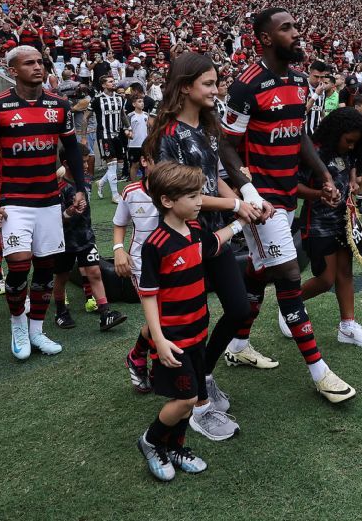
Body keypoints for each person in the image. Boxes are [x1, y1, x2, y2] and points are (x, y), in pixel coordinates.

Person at [217, 7, 356, 403]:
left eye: (296, 26)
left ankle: (238, 345)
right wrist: (247, 192)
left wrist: (324, 176)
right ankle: (320, 372)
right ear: (264, 37)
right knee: (289, 277)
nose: (297, 33)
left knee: (260, 275)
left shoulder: (298, 80)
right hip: (263, 201)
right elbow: (226, 145)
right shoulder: (246, 84)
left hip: (287, 194)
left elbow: (300, 138)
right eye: (287, 28)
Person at [144, 53, 257, 441]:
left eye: (216, 82)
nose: (216, 89)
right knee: (188, 320)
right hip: (184, 238)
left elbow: (215, 179)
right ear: (185, 87)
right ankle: (196, 404)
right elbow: (181, 194)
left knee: (239, 308)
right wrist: (234, 206)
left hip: (214, 234)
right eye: (208, 83)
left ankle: (202, 375)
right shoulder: (168, 136)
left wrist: (245, 200)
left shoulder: (207, 128)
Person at [135, 162, 247, 482]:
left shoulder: (195, 230)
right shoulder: (156, 244)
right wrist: (157, 338)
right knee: (184, 400)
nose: (200, 201)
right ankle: (152, 441)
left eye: (200, 194)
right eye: (193, 196)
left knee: (194, 394)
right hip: (174, 339)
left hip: (199, 331)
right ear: (168, 201)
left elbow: (215, 241)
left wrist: (240, 223)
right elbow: (148, 296)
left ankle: (177, 448)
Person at [0, 46, 91, 360]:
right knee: (18, 265)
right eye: (29, 63)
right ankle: (17, 324)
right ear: (12, 70)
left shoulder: (59, 104)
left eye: (40, 62)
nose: (37, 67)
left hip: (49, 201)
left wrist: (80, 188)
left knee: (45, 269)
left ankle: (37, 331)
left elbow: (71, 150)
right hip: (14, 201)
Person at [292, 107, 362, 348]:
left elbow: (349, 163)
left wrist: (352, 179)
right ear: (336, 133)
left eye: (355, 143)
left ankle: (348, 326)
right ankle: (290, 306)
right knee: (325, 279)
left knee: (346, 273)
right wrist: (319, 194)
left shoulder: (347, 151)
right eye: (348, 141)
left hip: (344, 221)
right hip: (317, 223)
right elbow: (293, 186)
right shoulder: (314, 153)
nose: (351, 147)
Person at [52, 165, 126, 331]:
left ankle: (105, 314)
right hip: (65, 241)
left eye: (85, 160)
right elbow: (55, 218)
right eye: (81, 161)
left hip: (86, 238)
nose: (84, 164)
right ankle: (61, 312)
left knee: (95, 272)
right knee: (62, 276)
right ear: (66, 161)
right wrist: (69, 212)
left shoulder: (85, 181)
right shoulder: (60, 188)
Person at [114, 155, 161, 394]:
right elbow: (119, 224)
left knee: (167, 317)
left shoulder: (176, 188)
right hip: (141, 264)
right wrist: (118, 249)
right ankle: (156, 371)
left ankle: (136, 355)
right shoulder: (131, 191)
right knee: (159, 318)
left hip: (173, 261)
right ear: (144, 161)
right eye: (156, 158)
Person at [91, 76, 129, 202]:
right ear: (103, 85)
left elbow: (122, 114)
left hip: (117, 135)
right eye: (110, 81)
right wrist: (84, 136)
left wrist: (128, 127)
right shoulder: (97, 100)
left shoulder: (119, 98)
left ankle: (101, 182)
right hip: (104, 135)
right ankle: (115, 195)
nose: (114, 83)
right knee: (112, 165)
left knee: (119, 165)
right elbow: (86, 117)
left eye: (113, 81)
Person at [127, 94, 150, 183]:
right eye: (139, 102)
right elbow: (127, 129)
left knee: (146, 164)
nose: (142, 103)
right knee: (135, 165)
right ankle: (133, 184)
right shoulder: (130, 116)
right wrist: (129, 134)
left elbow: (149, 129)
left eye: (142, 101)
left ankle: (146, 182)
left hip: (145, 144)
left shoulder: (146, 115)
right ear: (134, 104)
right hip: (134, 145)